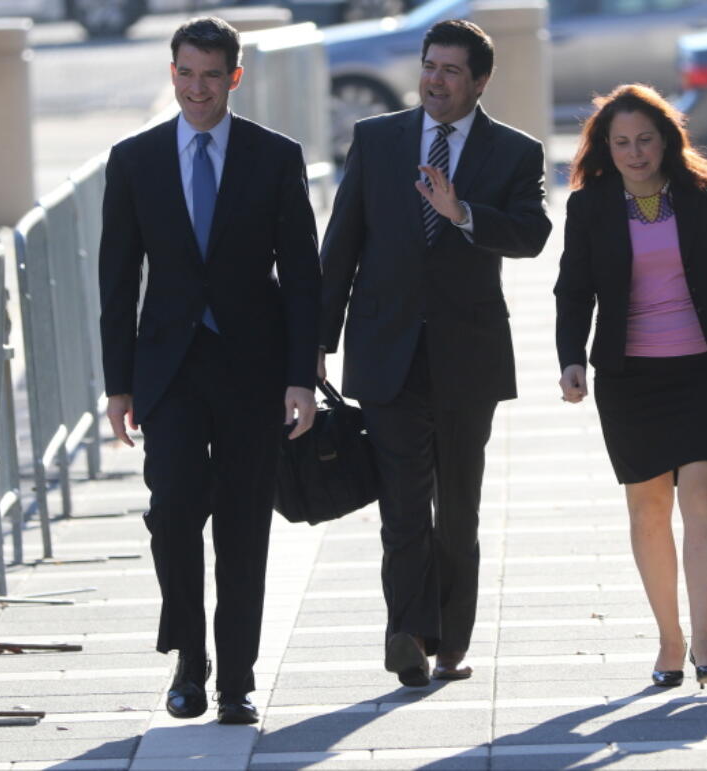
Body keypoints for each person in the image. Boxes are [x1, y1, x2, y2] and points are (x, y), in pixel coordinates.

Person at [98, 16, 320, 724]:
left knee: (244, 523)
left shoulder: (274, 157)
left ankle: (236, 681)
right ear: (172, 73)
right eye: (185, 73)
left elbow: (305, 275)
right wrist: (117, 383)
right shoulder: (134, 161)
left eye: (210, 75)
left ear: (235, 76)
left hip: (252, 366)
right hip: (167, 368)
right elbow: (116, 279)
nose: (197, 89)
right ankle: (189, 661)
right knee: (172, 515)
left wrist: (301, 376)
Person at [319, 19, 552, 687]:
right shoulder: (375, 139)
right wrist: (315, 345)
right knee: (401, 502)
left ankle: (450, 638)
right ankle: (408, 633)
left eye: (452, 71)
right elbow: (340, 250)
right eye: (430, 66)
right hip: (385, 346)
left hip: (466, 356)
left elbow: (533, 234)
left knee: (457, 507)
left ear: (479, 82)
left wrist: (464, 215)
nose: (436, 80)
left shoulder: (513, 152)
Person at [554, 84, 707, 689]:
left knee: (701, 499)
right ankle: (669, 639)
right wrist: (570, 358)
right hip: (629, 381)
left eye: (645, 139)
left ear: (667, 139)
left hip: (703, 370)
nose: (634, 152)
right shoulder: (589, 205)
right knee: (648, 509)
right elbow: (573, 290)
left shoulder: (703, 196)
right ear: (605, 147)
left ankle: (705, 638)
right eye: (621, 142)